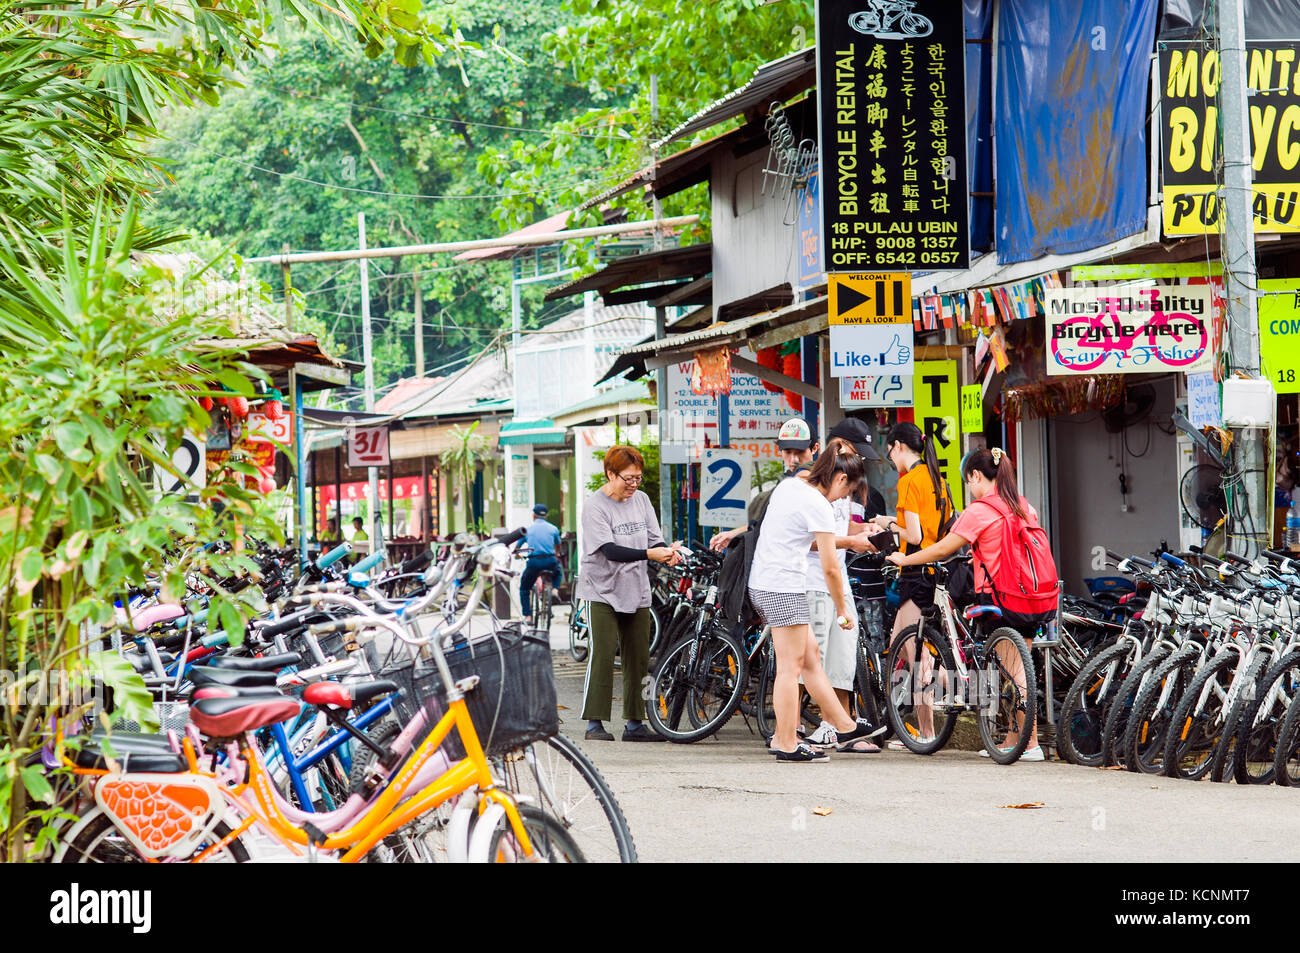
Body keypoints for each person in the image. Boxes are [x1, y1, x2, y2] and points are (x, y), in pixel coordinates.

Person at [886, 447, 1048, 761]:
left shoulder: (981, 508)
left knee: (1013, 672)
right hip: (1034, 593)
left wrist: (906, 559)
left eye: (968, 480)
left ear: (975, 476)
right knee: (1018, 668)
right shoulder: (1023, 505)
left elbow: (943, 547)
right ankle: (1022, 742)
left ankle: (1027, 745)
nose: (969, 488)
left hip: (1002, 596)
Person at [747, 447, 880, 762]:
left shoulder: (790, 485)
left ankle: (844, 725)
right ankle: (785, 742)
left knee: (810, 659)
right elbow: (831, 566)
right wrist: (844, 612)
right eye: (845, 491)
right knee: (790, 669)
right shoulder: (818, 505)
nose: (840, 500)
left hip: (766, 583)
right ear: (840, 478)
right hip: (784, 587)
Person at [576, 445, 681, 743]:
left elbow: (655, 538)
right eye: (628, 478)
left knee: (639, 657)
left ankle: (636, 723)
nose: (633, 484)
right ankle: (594, 723)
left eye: (638, 478)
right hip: (601, 589)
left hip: (636, 588)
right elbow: (609, 550)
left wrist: (668, 552)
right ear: (611, 474)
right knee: (604, 653)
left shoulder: (642, 500)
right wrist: (650, 553)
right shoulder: (595, 506)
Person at [870, 421, 953, 748]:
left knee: (916, 655)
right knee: (906, 649)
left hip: (914, 570)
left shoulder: (909, 481)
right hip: (935, 571)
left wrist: (886, 523)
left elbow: (914, 535)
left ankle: (928, 732)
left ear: (899, 446)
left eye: (889, 449)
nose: (889, 457)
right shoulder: (937, 478)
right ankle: (912, 727)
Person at [708, 416, 820, 552]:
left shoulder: (823, 483)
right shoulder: (785, 484)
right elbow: (767, 522)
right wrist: (733, 533)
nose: (793, 459)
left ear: (815, 448)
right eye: (787, 452)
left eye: (800, 452)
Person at [519, 503, 563, 625]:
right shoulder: (553, 528)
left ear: (534, 515)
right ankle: (554, 590)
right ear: (546, 516)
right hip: (550, 561)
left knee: (524, 588)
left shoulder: (528, 530)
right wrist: (556, 554)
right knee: (558, 572)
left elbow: (518, 546)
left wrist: (517, 555)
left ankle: (527, 616)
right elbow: (558, 545)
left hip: (534, 562)